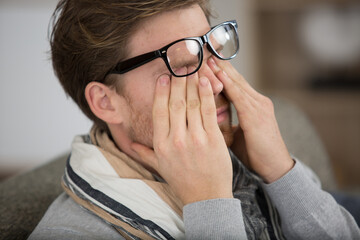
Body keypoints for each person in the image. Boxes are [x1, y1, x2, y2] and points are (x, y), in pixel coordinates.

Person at [29, 0, 360, 239]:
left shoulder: (248, 156)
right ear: (105, 102)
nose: (216, 83)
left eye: (210, 48)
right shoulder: (72, 232)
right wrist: (210, 204)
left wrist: (282, 173)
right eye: (182, 65)